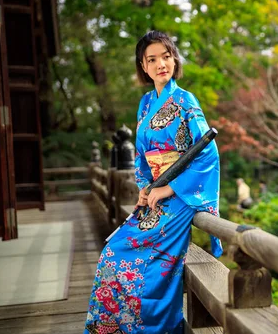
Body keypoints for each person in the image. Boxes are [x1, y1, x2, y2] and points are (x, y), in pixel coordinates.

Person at [84, 30, 222, 334]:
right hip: (157, 195)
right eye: (152, 59)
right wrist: (145, 189)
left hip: (180, 196)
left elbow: (207, 155)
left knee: (135, 260)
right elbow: (143, 156)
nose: (162, 63)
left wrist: (168, 188)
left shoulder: (186, 101)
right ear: (143, 67)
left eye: (167, 55)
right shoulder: (146, 104)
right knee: (112, 252)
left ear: (174, 59)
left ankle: (150, 326)